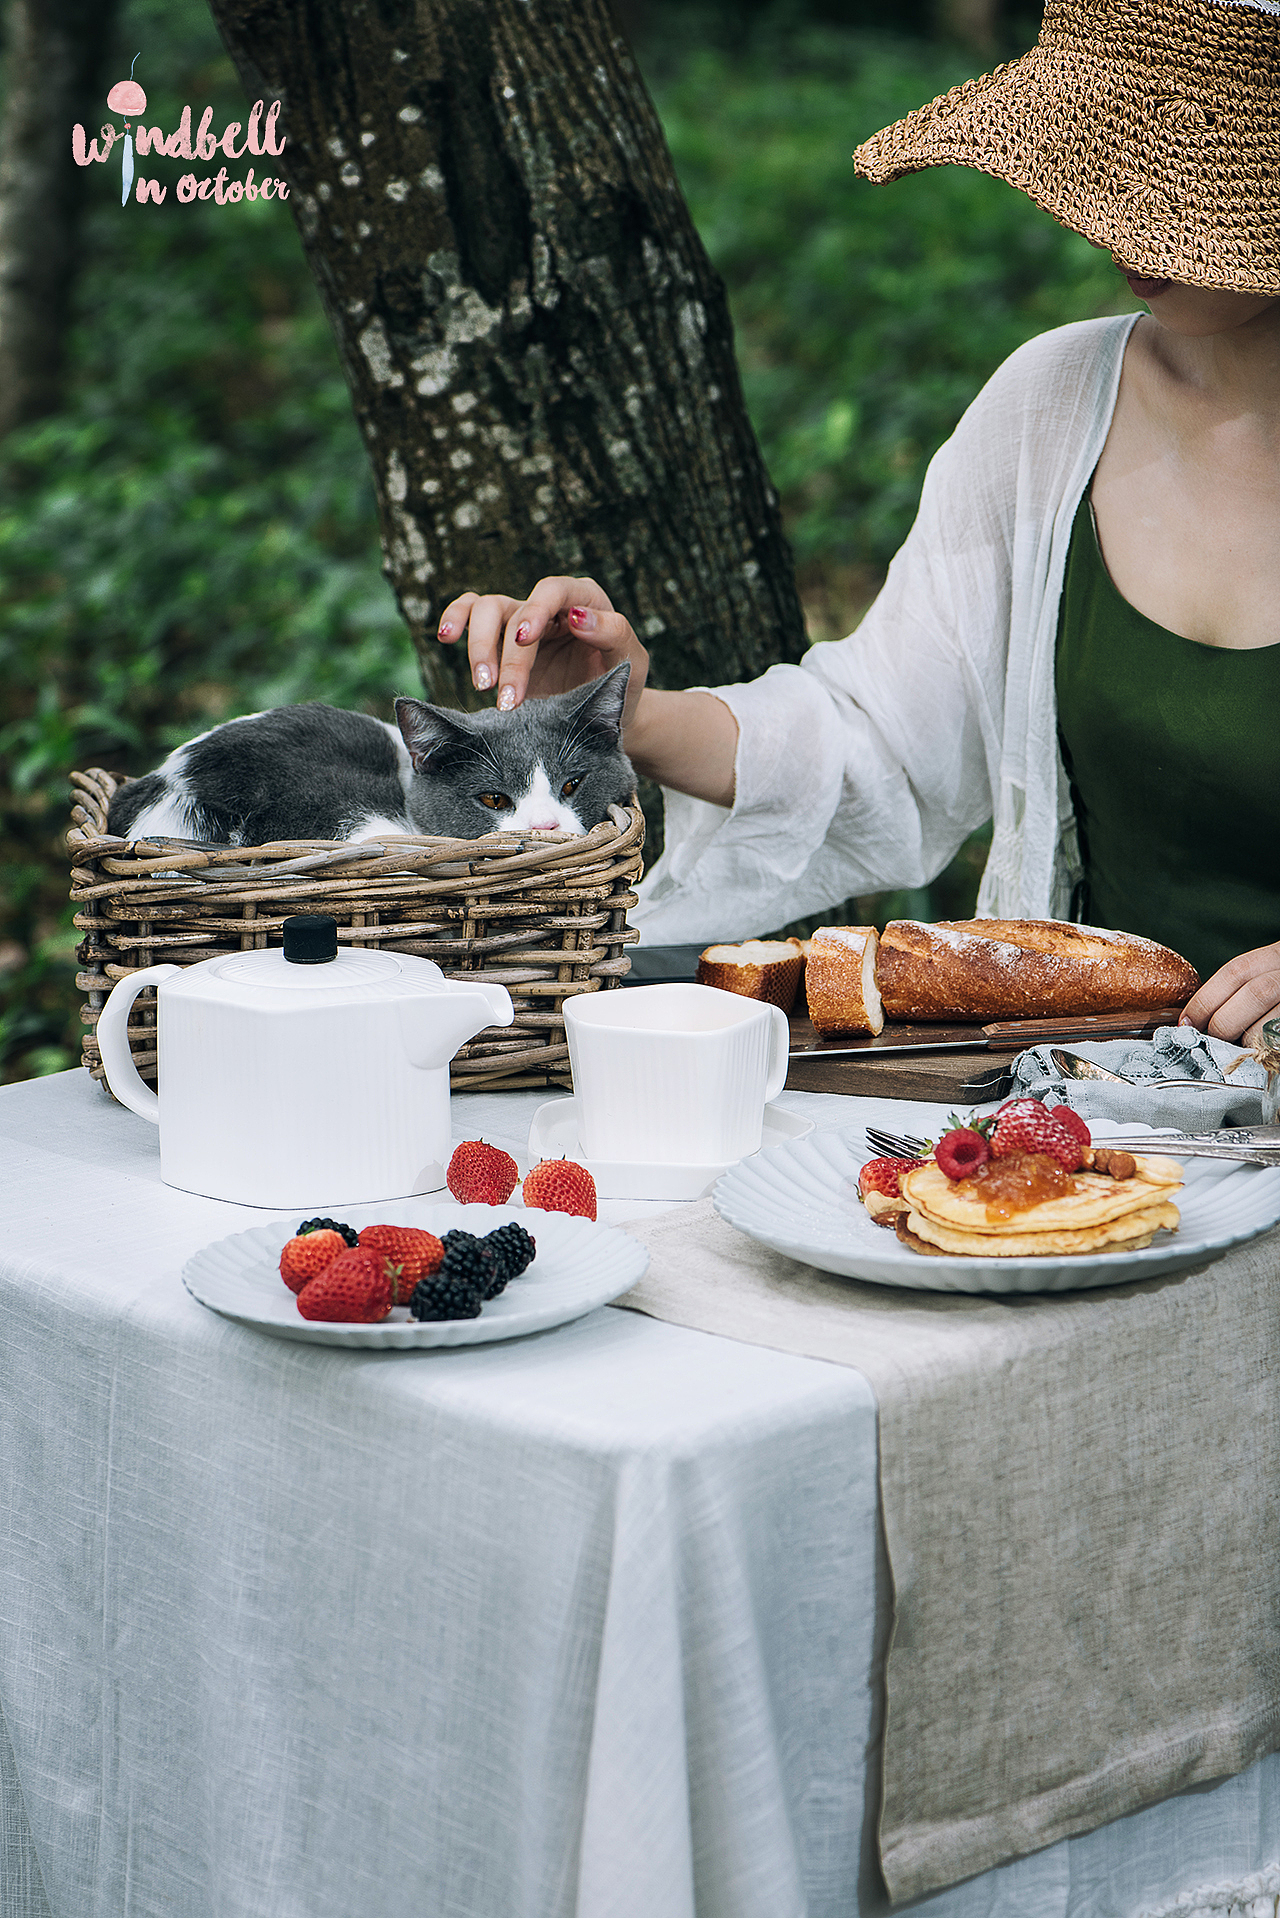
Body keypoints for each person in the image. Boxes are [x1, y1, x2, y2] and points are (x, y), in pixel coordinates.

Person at [433, 0, 1280, 1045]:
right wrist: (620, 714)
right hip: (1106, 1123)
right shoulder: (1052, 408)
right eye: (1116, 160)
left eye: (1186, 174)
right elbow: (881, 741)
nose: (1118, 220)